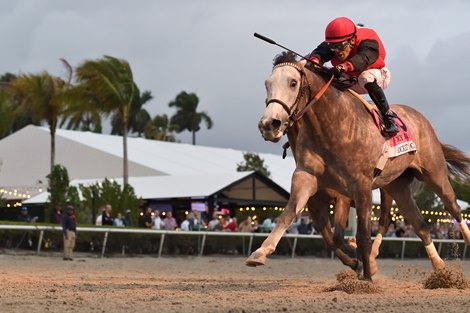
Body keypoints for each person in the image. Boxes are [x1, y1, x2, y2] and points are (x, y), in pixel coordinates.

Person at [308, 17, 398, 135]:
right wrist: (315, 61)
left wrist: (344, 67)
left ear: (352, 40)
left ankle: (388, 118)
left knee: (365, 77)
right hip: (351, 78)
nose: (337, 51)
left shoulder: (368, 39)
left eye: (340, 46)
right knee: (322, 76)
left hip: (377, 75)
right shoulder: (338, 42)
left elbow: (363, 58)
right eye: (333, 46)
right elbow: (320, 52)